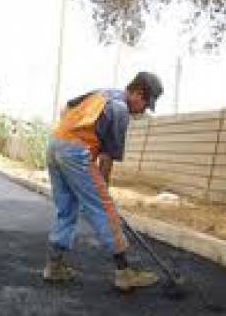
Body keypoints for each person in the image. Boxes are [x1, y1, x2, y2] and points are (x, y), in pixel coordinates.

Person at [42, 72, 164, 292]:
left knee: (66, 208)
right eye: (145, 104)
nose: (143, 110)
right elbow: (107, 158)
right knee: (103, 209)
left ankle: (54, 265)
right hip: (75, 151)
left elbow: (68, 106)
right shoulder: (120, 110)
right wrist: (103, 194)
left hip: (55, 144)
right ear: (137, 93)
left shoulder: (103, 94)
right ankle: (124, 272)